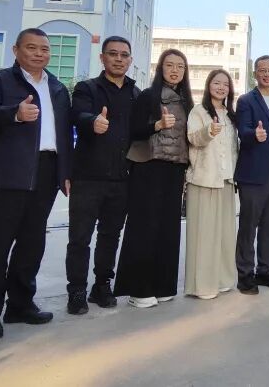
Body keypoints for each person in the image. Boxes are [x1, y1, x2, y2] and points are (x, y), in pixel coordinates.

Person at [0, 28, 72, 341]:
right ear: (16, 50)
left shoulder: (57, 87)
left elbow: (63, 134)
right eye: (32, 47)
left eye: (44, 49)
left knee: (32, 243)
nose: (39, 53)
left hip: (47, 170)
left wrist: (65, 172)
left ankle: (20, 304)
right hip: (10, 172)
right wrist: (14, 113)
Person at [65, 36, 139, 315]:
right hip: (88, 176)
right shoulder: (87, 88)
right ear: (102, 57)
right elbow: (77, 115)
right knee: (80, 238)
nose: (119, 59)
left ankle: (102, 285)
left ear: (130, 60)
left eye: (124, 55)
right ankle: (76, 290)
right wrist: (92, 121)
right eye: (113, 54)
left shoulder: (135, 93)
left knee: (110, 235)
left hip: (122, 178)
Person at [115, 49, 193, 308]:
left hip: (175, 169)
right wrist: (157, 125)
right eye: (169, 65)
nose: (175, 70)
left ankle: (163, 285)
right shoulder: (148, 96)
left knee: (168, 228)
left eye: (180, 66)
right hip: (148, 166)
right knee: (144, 227)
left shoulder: (187, 102)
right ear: (160, 68)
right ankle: (139, 289)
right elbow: (133, 131)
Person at [233, 55, 269, 295]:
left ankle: (266, 271)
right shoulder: (246, 100)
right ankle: (245, 275)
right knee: (249, 226)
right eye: (262, 70)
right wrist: (253, 135)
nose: (267, 74)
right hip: (253, 173)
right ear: (254, 73)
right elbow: (242, 130)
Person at [184, 69, 239, 300]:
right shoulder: (198, 111)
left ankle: (223, 280)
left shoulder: (230, 115)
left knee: (225, 235)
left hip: (226, 180)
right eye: (216, 83)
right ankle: (202, 285)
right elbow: (192, 138)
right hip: (204, 180)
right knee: (204, 236)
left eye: (225, 84)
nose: (221, 87)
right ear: (208, 86)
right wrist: (208, 131)